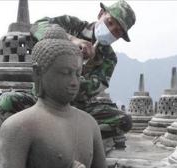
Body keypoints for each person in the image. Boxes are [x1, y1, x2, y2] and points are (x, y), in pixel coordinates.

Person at [0, 25, 156, 168]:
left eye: (78, 74)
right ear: (38, 73)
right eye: (65, 73)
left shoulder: (89, 122)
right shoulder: (19, 126)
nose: (74, 82)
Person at [30, 0, 135, 148]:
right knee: (8, 101)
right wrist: (72, 40)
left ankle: (73, 135)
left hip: (75, 108)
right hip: (42, 98)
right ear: (101, 14)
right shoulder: (72, 25)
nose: (111, 30)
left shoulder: (109, 58)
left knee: (124, 121)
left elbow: (94, 87)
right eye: (110, 22)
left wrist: (81, 69)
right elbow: (37, 26)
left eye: (117, 32)